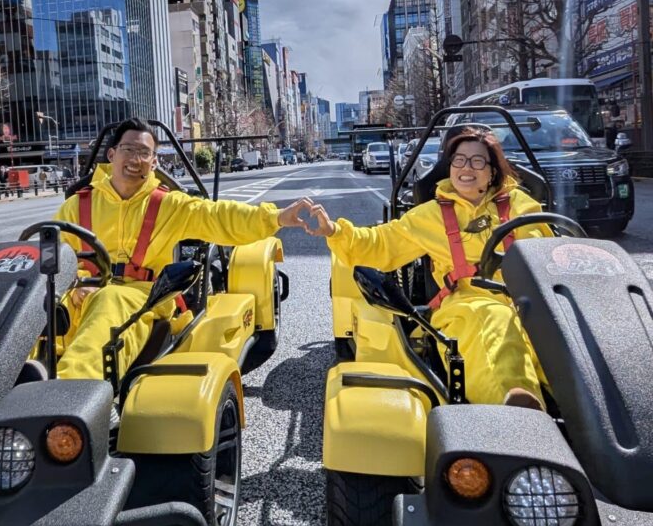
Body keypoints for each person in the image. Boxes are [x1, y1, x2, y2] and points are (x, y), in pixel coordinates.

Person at [305, 127, 551, 410]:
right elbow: (381, 243)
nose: (466, 168)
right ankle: (518, 411)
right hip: (466, 305)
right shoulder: (432, 214)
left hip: (527, 302)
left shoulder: (522, 205)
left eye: (477, 161)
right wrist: (335, 231)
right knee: (493, 321)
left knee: (563, 334)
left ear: (493, 171)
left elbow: (551, 253)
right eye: (459, 160)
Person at [53, 117, 312, 382]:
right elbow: (50, 257)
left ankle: (67, 401)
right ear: (111, 154)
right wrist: (75, 284)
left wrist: (276, 217)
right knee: (38, 309)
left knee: (109, 303)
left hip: (141, 297)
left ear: (154, 162)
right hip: (81, 293)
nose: (135, 158)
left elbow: (219, 216)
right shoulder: (76, 205)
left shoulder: (168, 205)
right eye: (128, 149)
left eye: (144, 152)